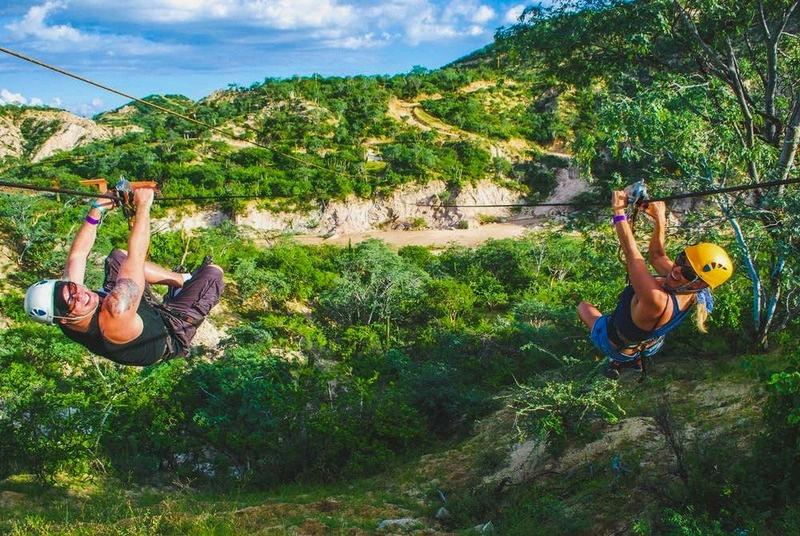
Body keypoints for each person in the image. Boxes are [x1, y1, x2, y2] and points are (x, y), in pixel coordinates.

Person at [23, 188, 224, 366]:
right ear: (64, 320)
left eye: (73, 288)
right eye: (72, 301)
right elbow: (136, 257)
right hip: (170, 331)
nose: (81, 294)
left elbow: (78, 255)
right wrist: (143, 206)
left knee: (118, 257)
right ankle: (185, 292)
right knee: (213, 273)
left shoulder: (67, 305)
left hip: (140, 311)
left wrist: (97, 208)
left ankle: (181, 281)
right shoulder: (115, 310)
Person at [577, 190, 733, 379]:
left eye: (688, 272)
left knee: (584, 307)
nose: (676, 269)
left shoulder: (656, 300)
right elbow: (658, 256)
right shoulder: (691, 290)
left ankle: (620, 359)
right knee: (636, 329)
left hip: (615, 344)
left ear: (699, 284)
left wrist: (618, 211)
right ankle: (634, 358)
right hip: (651, 343)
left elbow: (632, 254)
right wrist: (660, 219)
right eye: (681, 259)